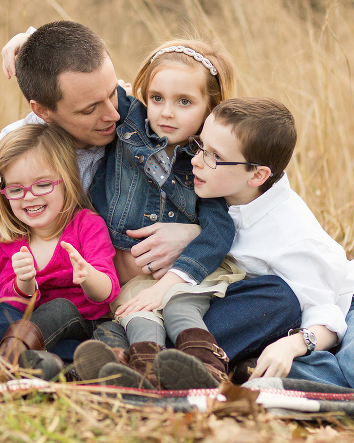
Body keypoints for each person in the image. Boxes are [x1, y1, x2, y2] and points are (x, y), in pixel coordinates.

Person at [0, 22, 301, 371]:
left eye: (115, 93)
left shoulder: (160, 130)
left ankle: (102, 364)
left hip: (180, 296)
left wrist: (192, 236)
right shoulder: (10, 156)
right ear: (43, 110)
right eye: (91, 108)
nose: (113, 114)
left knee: (277, 298)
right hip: (87, 312)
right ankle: (130, 363)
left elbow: (240, 202)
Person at [154, 96, 354, 390]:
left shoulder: (292, 235)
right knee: (258, 371)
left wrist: (292, 345)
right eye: (200, 146)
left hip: (347, 305)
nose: (196, 160)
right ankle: (329, 371)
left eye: (213, 156)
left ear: (257, 176)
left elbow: (327, 317)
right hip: (282, 315)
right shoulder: (219, 189)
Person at [73, 39, 245, 390]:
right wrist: (25, 41)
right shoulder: (130, 123)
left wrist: (169, 284)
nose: (166, 112)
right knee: (138, 315)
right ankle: (150, 376)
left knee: (180, 309)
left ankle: (207, 371)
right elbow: (77, 72)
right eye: (157, 98)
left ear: (210, 109)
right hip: (133, 279)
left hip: (185, 276)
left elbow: (218, 231)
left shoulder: (206, 164)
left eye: (184, 102)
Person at [0, 124, 120, 379]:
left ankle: (5, 365)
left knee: (73, 316)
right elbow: (11, 306)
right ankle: (46, 371)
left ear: (66, 180)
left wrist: (88, 276)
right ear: (4, 194)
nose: (29, 197)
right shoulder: (10, 242)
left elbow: (107, 292)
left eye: (42, 184)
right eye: (15, 189)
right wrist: (24, 283)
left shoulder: (86, 224)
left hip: (88, 327)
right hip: (37, 339)